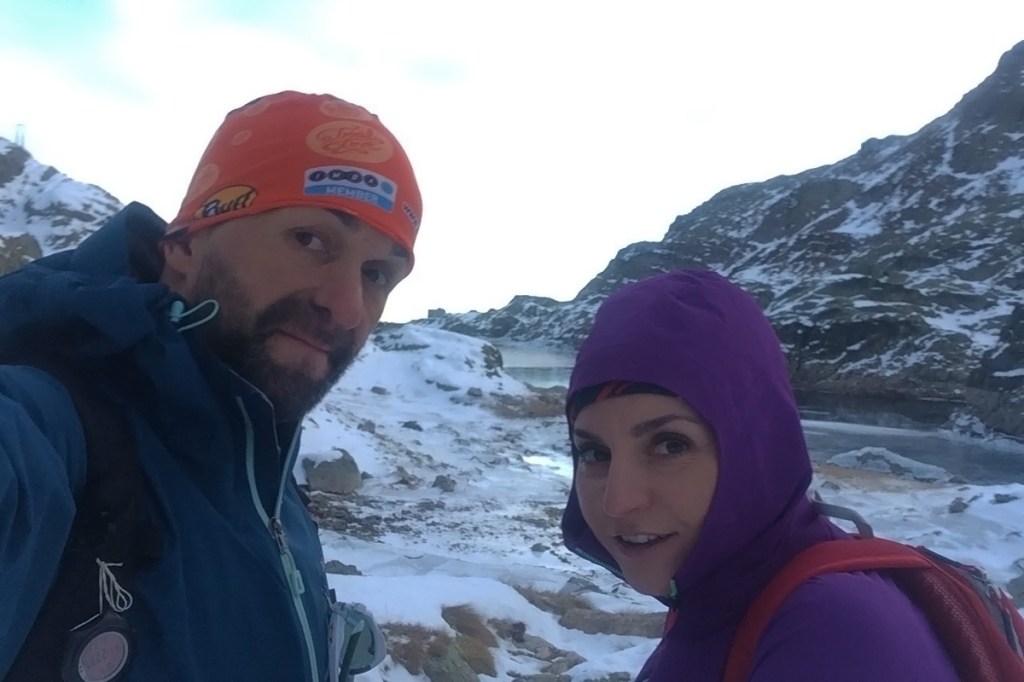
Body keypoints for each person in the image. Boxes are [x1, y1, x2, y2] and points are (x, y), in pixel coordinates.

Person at [0, 90, 421, 681]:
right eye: (311, 239)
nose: (347, 307)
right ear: (186, 246)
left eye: (377, 274)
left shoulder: (265, 473)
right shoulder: (45, 431)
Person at [560, 270, 960, 681]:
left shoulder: (831, 632)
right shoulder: (719, 595)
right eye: (594, 452)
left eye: (670, 445)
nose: (617, 500)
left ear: (756, 444)